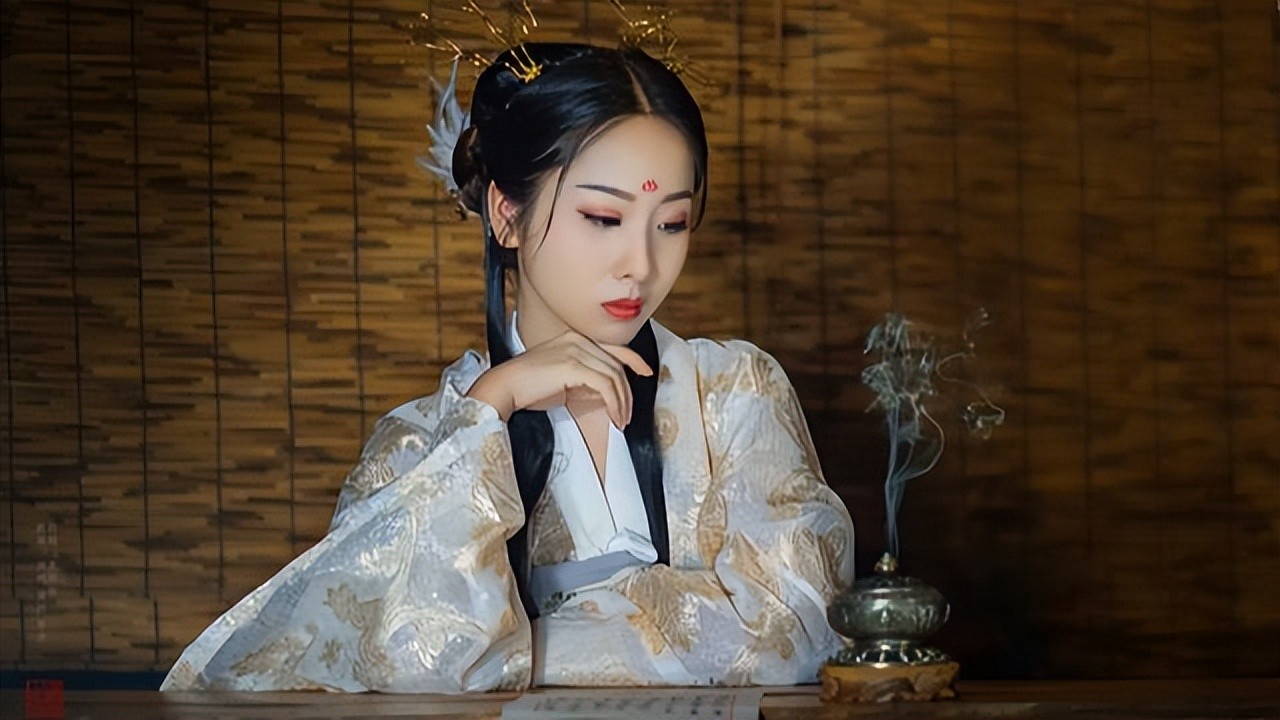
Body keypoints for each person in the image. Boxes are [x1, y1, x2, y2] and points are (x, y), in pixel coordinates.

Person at [162, 42, 855, 693]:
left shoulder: (734, 393)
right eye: (603, 217)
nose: (641, 264)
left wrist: (512, 648)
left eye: (670, 224)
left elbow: (796, 632)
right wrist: (489, 409)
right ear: (506, 213)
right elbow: (394, 655)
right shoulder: (422, 443)